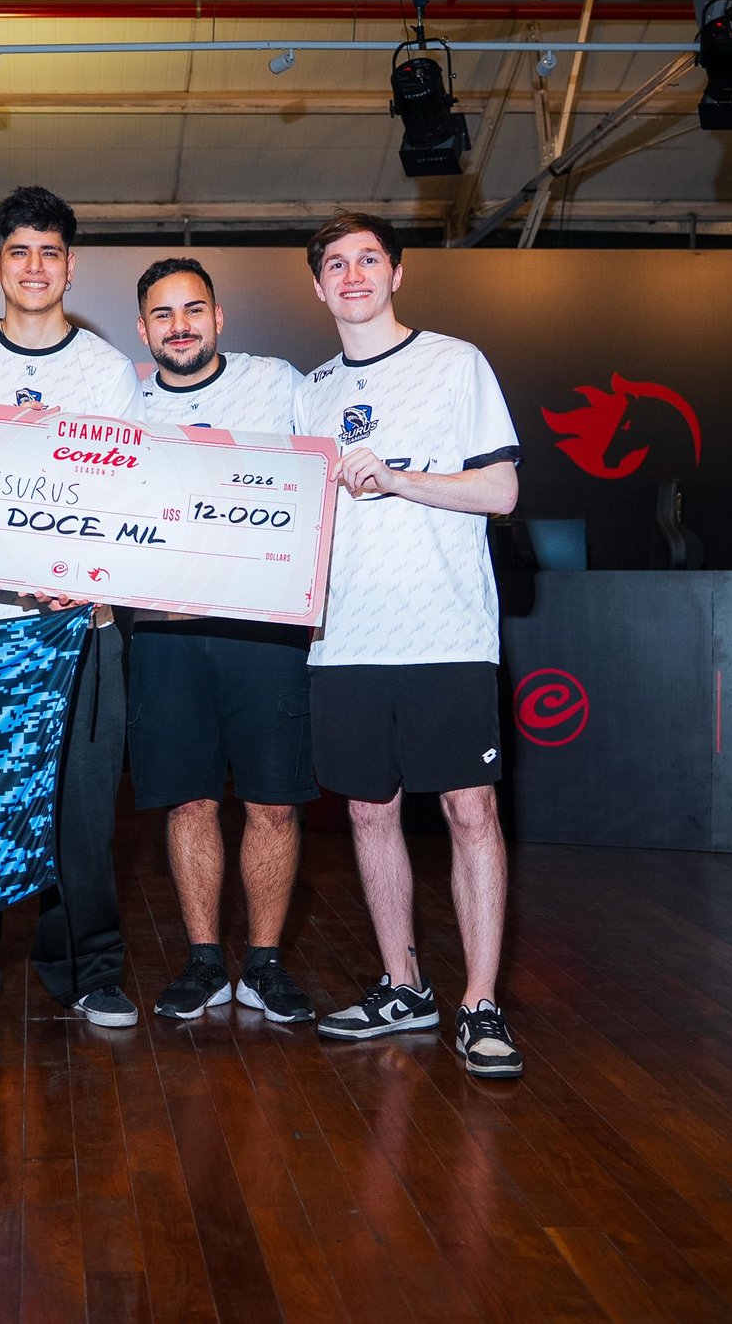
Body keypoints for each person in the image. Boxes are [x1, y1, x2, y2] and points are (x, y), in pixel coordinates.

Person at [293, 212, 527, 1079]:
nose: (352, 274)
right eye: (335, 263)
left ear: (397, 273)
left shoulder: (456, 363)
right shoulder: (309, 392)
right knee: (367, 812)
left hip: (446, 630)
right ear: (317, 285)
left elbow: (501, 491)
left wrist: (394, 476)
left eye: (368, 259)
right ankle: (404, 987)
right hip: (344, 638)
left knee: (470, 811)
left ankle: (481, 1003)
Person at [0, 185, 143, 1032]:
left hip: (79, 623)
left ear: (71, 267)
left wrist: (84, 578)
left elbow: (125, 495)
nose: (35, 267)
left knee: (79, 811)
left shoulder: (107, 370)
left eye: (50, 252)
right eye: (20, 251)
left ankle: (87, 969)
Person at [128, 257, 318, 1024]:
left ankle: (264, 965)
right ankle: (205, 961)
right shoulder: (122, 399)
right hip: (164, 630)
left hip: (265, 627)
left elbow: (331, 469)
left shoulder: (278, 383)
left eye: (193, 309)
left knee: (274, 804)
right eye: (163, 314)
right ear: (143, 329)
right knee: (188, 801)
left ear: (219, 317)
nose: (180, 326)